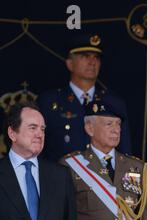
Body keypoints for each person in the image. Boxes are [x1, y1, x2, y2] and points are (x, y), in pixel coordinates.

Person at [60, 99, 147, 220]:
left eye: (118, 124)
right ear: (89, 128)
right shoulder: (70, 165)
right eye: (109, 124)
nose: (116, 130)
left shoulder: (136, 168)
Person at [37, 33, 132, 162]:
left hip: (103, 180)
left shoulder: (114, 102)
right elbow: (38, 150)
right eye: (85, 56)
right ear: (70, 63)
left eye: (96, 57)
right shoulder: (49, 101)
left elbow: (124, 154)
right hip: (61, 178)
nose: (92, 62)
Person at [0, 102, 77, 220]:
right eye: (32, 128)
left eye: (42, 129)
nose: (40, 134)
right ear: (12, 133)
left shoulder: (61, 176)